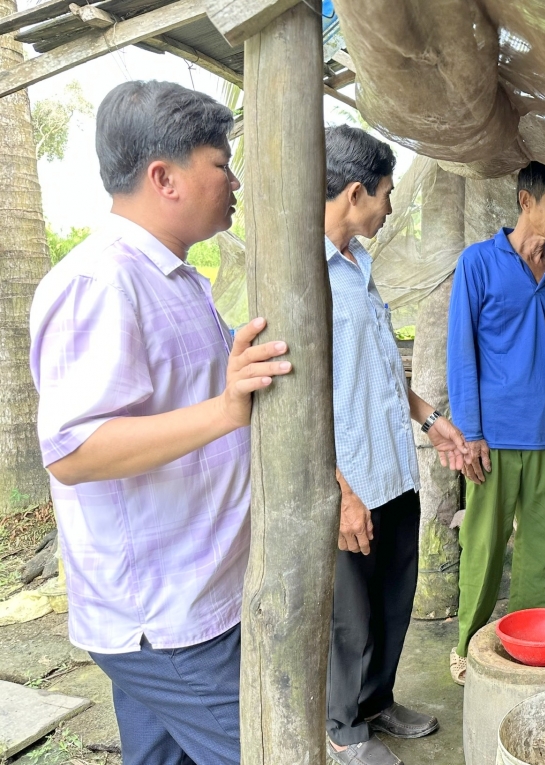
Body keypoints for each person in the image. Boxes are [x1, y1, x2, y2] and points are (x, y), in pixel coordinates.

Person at [28, 81, 291, 765]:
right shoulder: (98, 283)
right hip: (170, 616)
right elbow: (74, 449)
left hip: (191, 597)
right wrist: (225, 409)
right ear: (164, 178)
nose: (235, 182)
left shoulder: (176, 280)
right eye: (220, 163)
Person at [322, 125, 470, 765]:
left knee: (391, 599)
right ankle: (341, 727)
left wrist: (430, 419)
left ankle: (377, 700)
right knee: (349, 616)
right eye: (385, 193)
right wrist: (340, 493)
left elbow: (380, 369)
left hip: (393, 468)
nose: (389, 207)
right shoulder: (306, 275)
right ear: (356, 192)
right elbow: (296, 403)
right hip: (350, 478)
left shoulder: (358, 264)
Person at [446, 161, 545, 683]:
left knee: (538, 544)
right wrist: (470, 432)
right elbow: (461, 352)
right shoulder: (478, 262)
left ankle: (526, 647)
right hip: (493, 432)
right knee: (484, 542)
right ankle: (466, 646)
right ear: (526, 201)